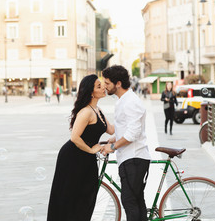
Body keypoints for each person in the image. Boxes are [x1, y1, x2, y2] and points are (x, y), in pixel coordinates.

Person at [47, 74, 115, 221]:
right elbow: (75, 138)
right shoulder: (86, 112)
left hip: (86, 159)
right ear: (91, 92)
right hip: (73, 158)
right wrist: (91, 149)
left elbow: (111, 129)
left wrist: (132, 122)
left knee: (87, 197)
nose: (103, 87)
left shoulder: (98, 110)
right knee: (70, 199)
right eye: (99, 86)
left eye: (102, 84)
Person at [101, 65, 151, 221]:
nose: (105, 86)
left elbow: (133, 133)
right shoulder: (124, 100)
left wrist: (113, 147)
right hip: (130, 158)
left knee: (129, 201)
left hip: (134, 158)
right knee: (136, 200)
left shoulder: (130, 101)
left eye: (107, 83)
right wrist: (114, 137)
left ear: (118, 84)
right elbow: (127, 127)